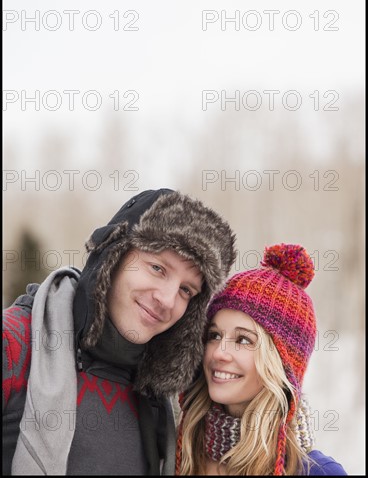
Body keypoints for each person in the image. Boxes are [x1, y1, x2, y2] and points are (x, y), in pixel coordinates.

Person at [2, 188, 237, 475]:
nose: (167, 299)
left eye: (186, 290)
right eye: (157, 268)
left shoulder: (165, 396)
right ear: (115, 255)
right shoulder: (13, 345)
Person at [176, 243, 348, 475]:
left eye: (244, 340)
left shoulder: (315, 471)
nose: (218, 352)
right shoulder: (177, 446)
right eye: (214, 335)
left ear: (279, 363)